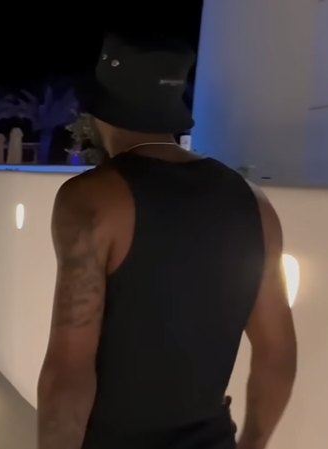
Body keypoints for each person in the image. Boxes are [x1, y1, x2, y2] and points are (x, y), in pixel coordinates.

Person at [37, 34, 297, 449]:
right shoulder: (255, 203)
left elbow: (69, 370)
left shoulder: (91, 200)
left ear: (100, 112)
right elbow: (277, 352)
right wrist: (252, 443)